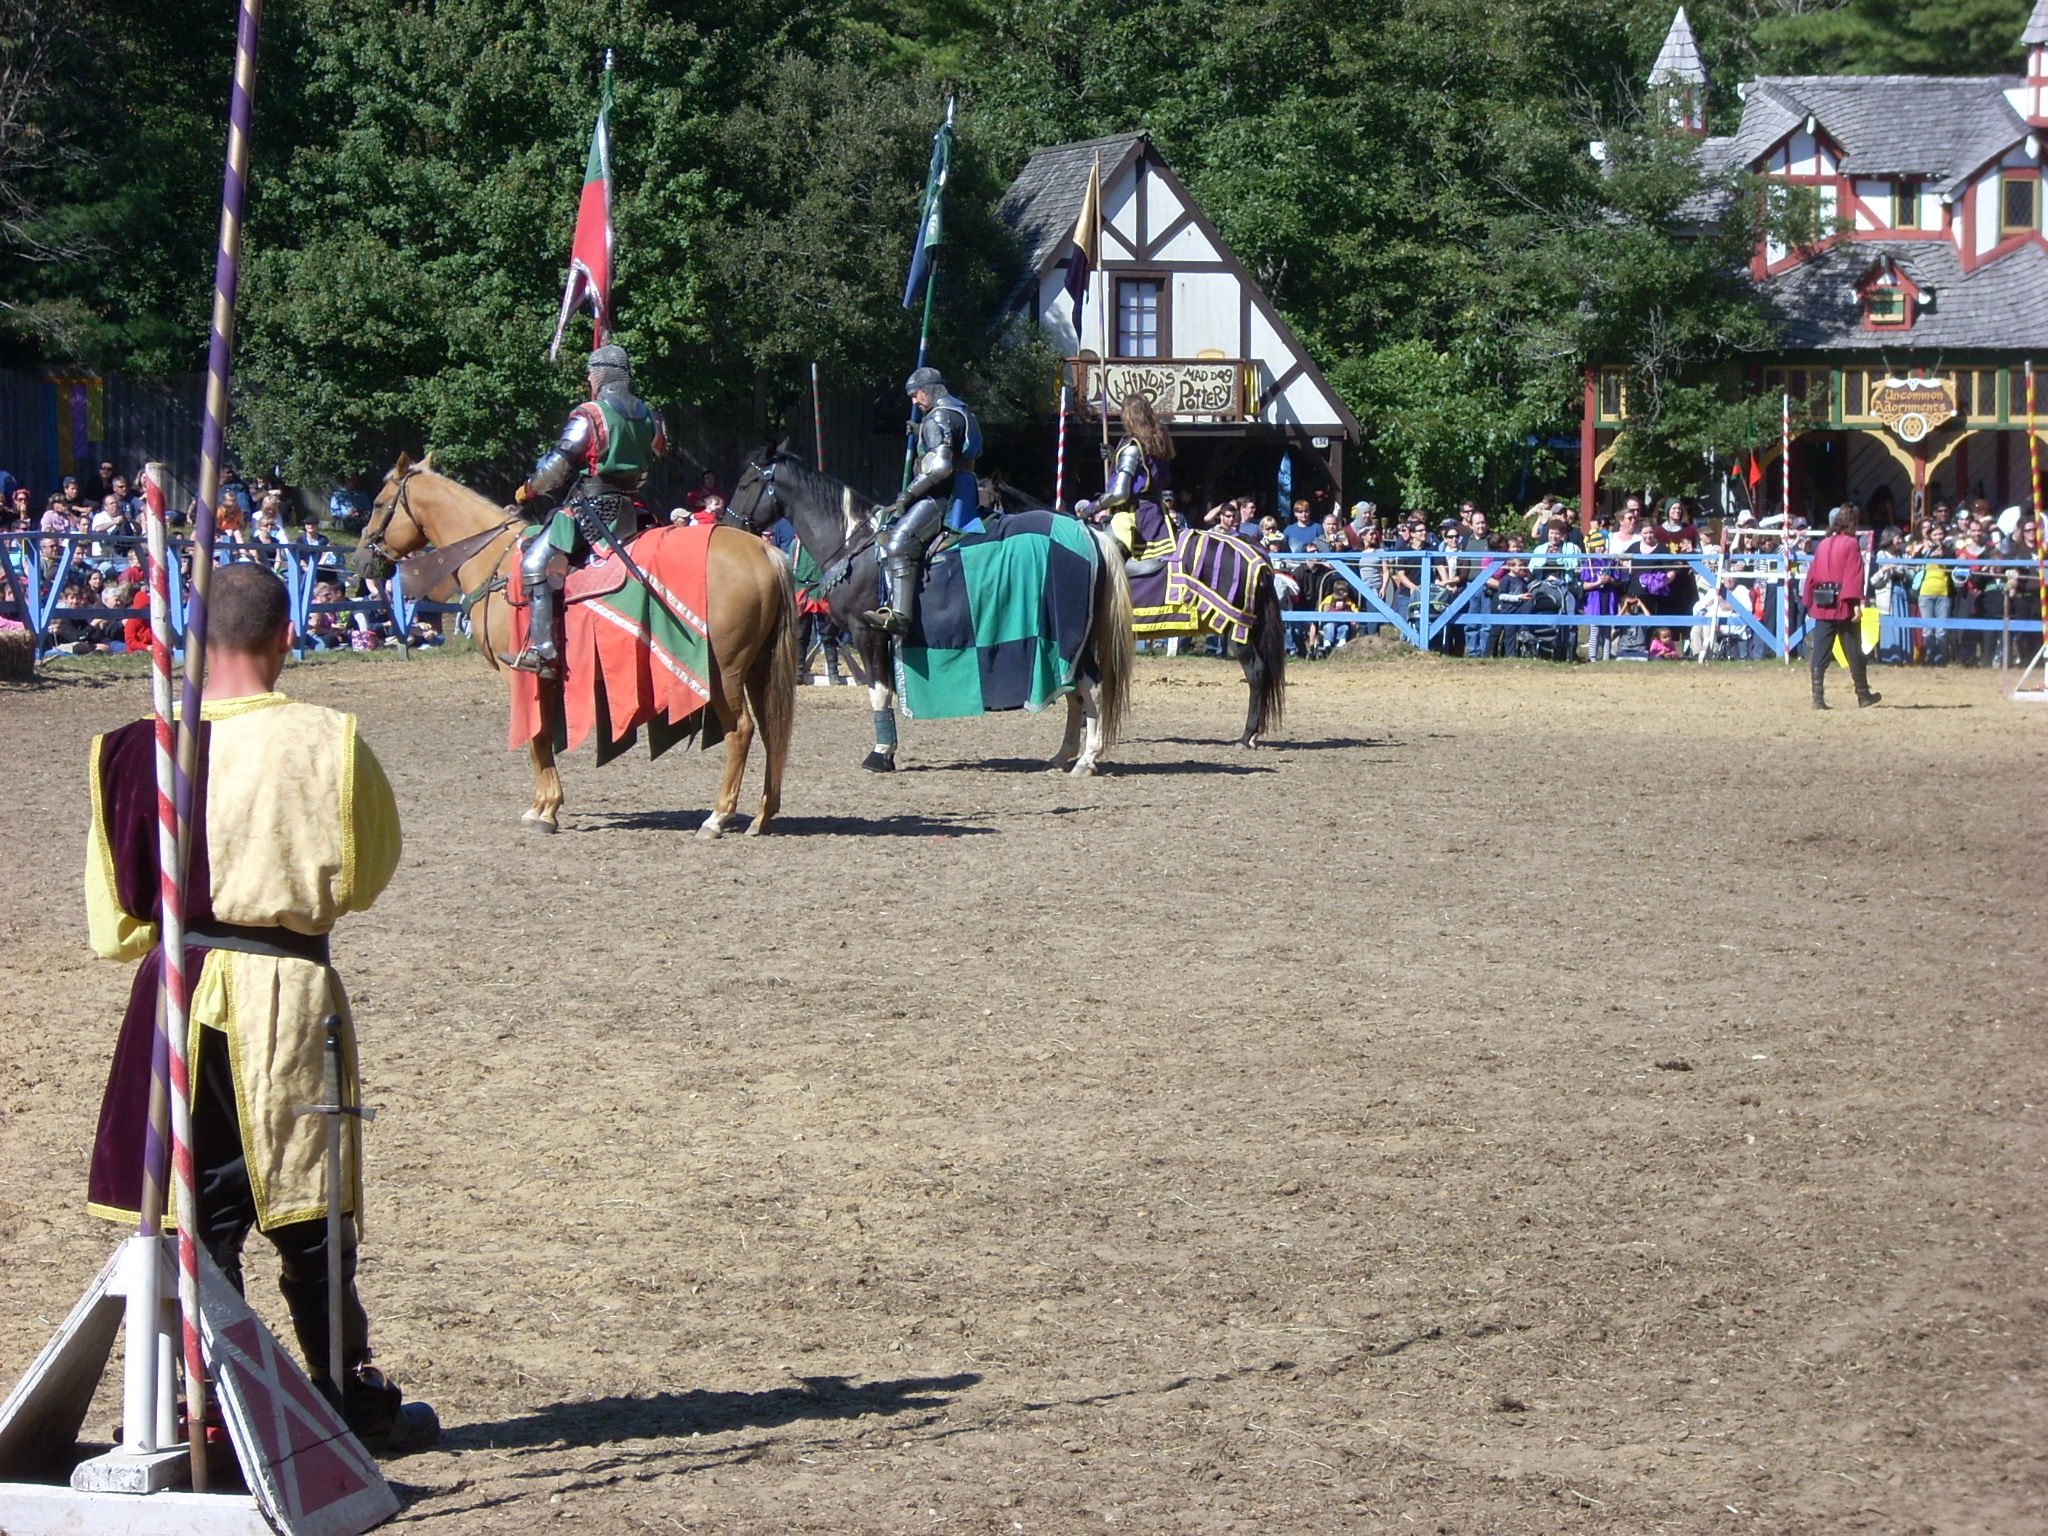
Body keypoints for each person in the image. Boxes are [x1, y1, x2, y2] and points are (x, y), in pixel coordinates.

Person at [82, 563, 437, 1452]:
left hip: (175, 998)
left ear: (196, 642)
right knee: (311, 1210)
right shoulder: (329, 739)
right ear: (288, 637)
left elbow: (116, 929)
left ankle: (206, 1400)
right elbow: (362, 879)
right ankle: (340, 1398)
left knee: (198, 1214)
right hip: (287, 991)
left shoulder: (135, 748)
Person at [505, 342, 669, 676]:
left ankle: (543, 651)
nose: (589, 379)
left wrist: (528, 490)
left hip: (593, 509)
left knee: (535, 563)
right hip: (635, 508)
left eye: (590, 373)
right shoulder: (650, 416)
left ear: (600, 374)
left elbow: (557, 466)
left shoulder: (591, 414)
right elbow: (658, 453)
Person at [862, 365, 982, 636]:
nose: (915, 401)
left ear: (929, 390)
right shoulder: (960, 409)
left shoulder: (937, 417)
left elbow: (939, 468)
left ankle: (900, 616)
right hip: (964, 487)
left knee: (897, 542)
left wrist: (909, 494)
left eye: (916, 395)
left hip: (944, 496)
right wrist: (920, 431)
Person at [1803, 503, 1880, 709]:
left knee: (1820, 651)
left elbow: (1813, 573)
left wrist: (1809, 600)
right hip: (1842, 603)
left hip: (1822, 602)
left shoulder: (1823, 544)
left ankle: (1817, 698)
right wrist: (1855, 603)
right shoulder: (1851, 544)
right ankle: (1863, 695)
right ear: (1851, 523)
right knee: (1853, 650)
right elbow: (1853, 575)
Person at [1099, 393, 1178, 575]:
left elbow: (1120, 493)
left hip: (1136, 515)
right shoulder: (1156, 439)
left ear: (1129, 415)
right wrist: (1114, 458)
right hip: (1157, 510)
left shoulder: (1133, 444)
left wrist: (1091, 509)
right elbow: (1147, 471)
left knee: (1104, 559)